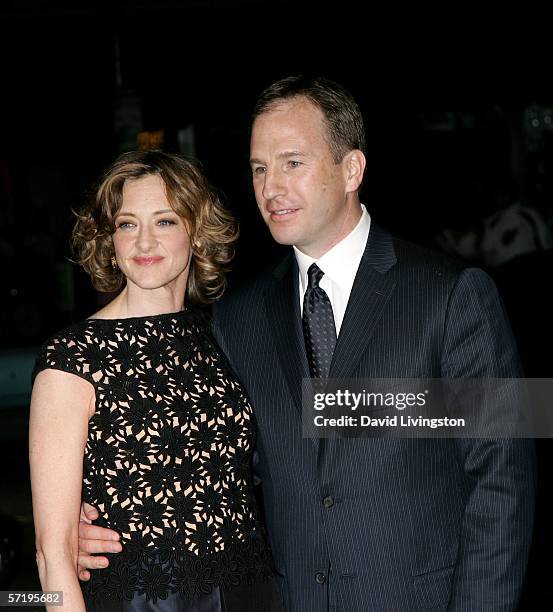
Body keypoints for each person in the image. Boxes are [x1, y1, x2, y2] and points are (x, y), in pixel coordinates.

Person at [77, 77, 535, 611]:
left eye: (292, 162)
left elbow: (505, 480)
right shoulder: (238, 318)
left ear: (351, 170)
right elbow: (218, 469)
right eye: (259, 168)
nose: (271, 187)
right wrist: (106, 525)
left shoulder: (453, 294)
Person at [29, 150, 278, 611]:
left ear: (197, 234)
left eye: (164, 221)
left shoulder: (223, 335)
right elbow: (53, 555)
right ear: (109, 240)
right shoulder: (73, 360)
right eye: (127, 224)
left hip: (252, 591)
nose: (144, 241)